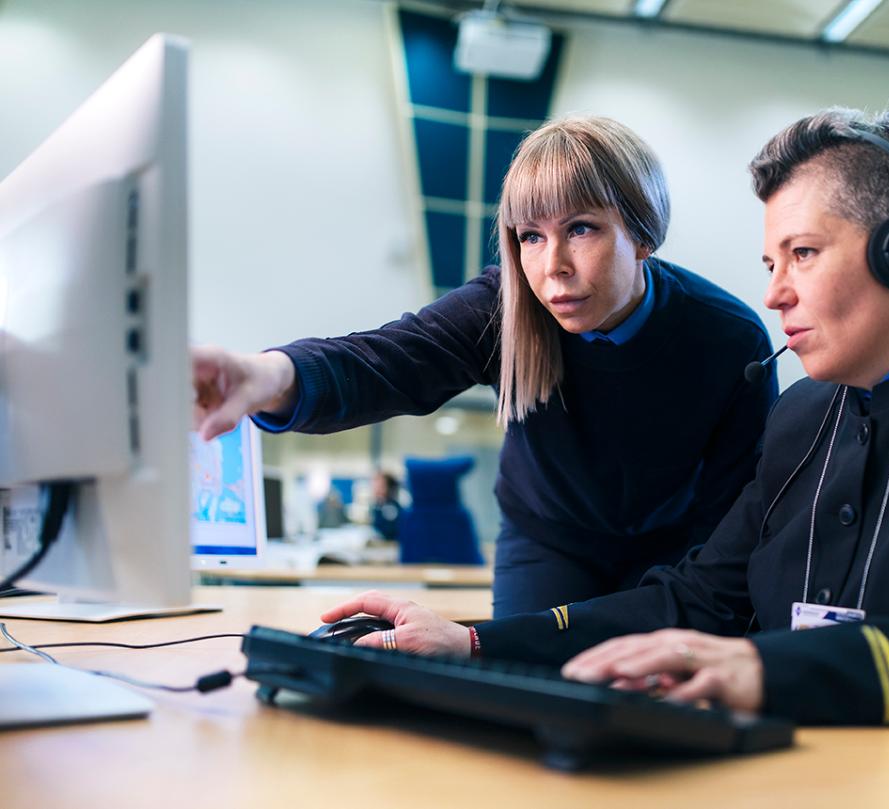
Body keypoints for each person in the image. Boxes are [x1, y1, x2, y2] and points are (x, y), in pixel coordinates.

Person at [318, 107, 889, 725]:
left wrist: (767, 669)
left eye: (802, 254)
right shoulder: (802, 418)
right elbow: (699, 599)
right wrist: (473, 642)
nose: (774, 292)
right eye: (770, 260)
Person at [192, 116, 778, 617]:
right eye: (531, 236)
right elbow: (389, 359)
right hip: (548, 538)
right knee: (526, 697)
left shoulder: (730, 338)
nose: (554, 267)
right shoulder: (506, 307)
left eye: (581, 229)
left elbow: (732, 513)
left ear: (643, 231)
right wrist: (268, 376)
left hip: (671, 547)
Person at [369, 471, 404, 542]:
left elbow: (391, 532)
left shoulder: (391, 507)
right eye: (374, 485)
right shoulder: (378, 505)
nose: (375, 489)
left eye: (380, 486)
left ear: (389, 488)